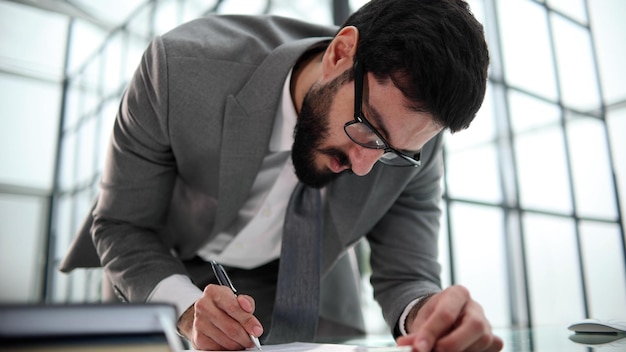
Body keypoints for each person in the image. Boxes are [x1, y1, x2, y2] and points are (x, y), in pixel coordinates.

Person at [60, 0, 503, 351]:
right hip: (164, 270)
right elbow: (121, 224)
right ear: (341, 52)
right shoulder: (179, 70)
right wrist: (185, 306)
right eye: (368, 129)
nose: (365, 166)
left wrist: (427, 314)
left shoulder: (413, 143)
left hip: (307, 294)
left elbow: (408, 273)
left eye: (395, 153)